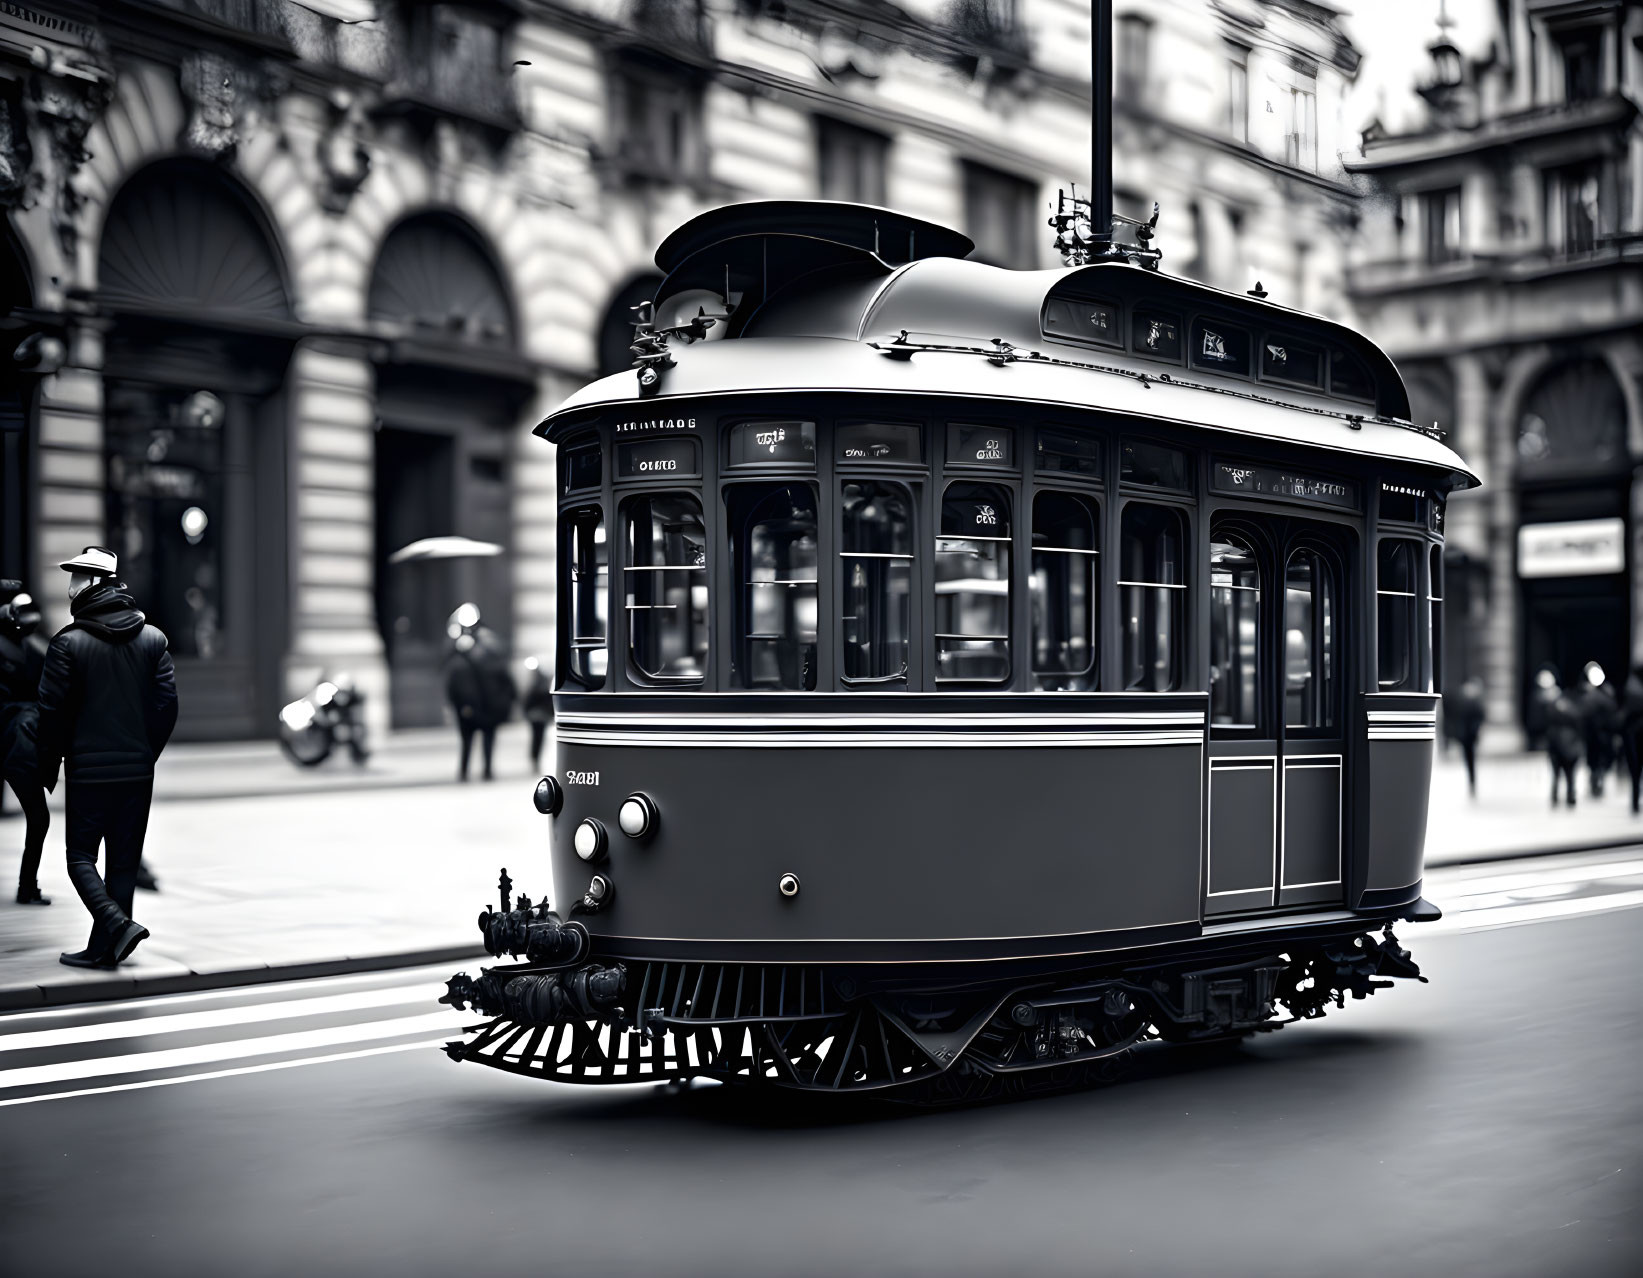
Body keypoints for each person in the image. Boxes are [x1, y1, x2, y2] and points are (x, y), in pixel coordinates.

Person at [35, 547, 178, 969]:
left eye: (77, 578)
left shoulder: (67, 643)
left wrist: (49, 764)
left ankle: (117, 927)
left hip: (89, 771)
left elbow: (51, 714)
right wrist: (145, 754)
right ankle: (105, 950)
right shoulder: (153, 639)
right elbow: (166, 709)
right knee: (123, 862)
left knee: (80, 857)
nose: (70, 586)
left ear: (95, 583)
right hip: (136, 771)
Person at [1, 582, 50, 905]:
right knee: (38, 817)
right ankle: (26, 885)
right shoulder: (30, 649)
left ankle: (27, 885)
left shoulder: (31, 648)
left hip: (15, 741)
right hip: (17, 743)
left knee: (38, 817)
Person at [443, 603, 515, 782]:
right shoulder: (466, 650)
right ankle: (475, 771)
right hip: (475, 702)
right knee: (475, 739)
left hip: (482, 702)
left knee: (476, 739)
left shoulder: (478, 650)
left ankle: (477, 771)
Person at [1576, 661, 1620, 799]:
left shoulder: (1596, 696)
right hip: (1597, 735)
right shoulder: (1604, 695)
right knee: (1596, 760)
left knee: (1596, 760)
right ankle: (1596, 781)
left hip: (1599, 735)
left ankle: (1596, 781)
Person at [1544, 678, 1584, 810]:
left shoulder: (1553, 706)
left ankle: (1557, 796)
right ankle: (1569, 797)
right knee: (1568, 774)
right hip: (1567, 745)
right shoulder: (1574, 708)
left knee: (1558, 774)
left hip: (1558, 745)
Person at [1444, 675, 1486, 798]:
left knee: (1470, 758)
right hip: (1464, 735)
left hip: (1470, 735)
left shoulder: (1473, 701)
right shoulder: (1463, 700)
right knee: (1468, 758)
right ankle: (1471, 781)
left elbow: (1480, 717)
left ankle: (1472, 781)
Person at [521, 655, 554, 772]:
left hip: (538, 714)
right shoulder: (537, 680)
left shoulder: (537, 682)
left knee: (537, 738)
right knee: (538, 738)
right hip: (538, 714)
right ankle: (535, 758)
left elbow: (529, 698)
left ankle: (535, 758)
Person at [1620, 666, 1643, 816]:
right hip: (1636, 735)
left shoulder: (1632, 689)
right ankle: (1635, 802)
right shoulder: (1635, 690)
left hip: (1634, 735)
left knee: (1635, 772)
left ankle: (1635, 802)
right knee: (1636, 772)